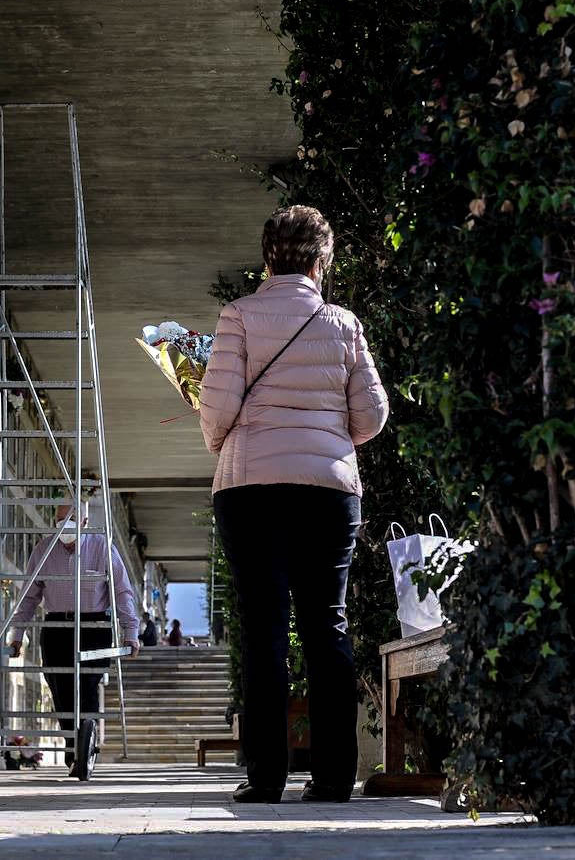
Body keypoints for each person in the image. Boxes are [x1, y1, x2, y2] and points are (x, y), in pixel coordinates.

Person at [199, 205, 389, 804]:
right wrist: (330, 445)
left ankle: (266, 777)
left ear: (266, 259)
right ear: (320, 262)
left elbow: (216, 409)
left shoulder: (240, 317)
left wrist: (225, 442)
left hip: (251, 490)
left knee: (264, 632)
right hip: (329, 495)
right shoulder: (344, 324)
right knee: (326, 626)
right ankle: (333, 778)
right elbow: (374, 414)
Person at [8, 499, 142, 773]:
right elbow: (29, 596)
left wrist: (131, 633)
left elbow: (122, 592)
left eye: (69, 521)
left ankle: (87, 747)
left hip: (94, 627)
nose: (63, 527)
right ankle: (74, 751)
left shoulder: (102, 547)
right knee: (60, 689)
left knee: (88, 686)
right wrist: (17, 634)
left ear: (83, 522)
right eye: (58, 521)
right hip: (57, 626)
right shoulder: (44, 549)